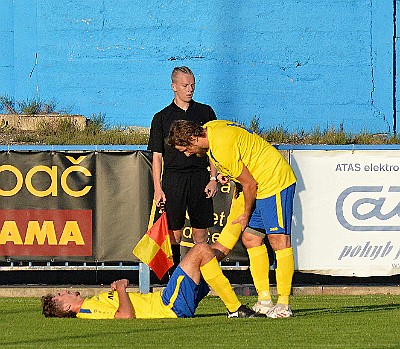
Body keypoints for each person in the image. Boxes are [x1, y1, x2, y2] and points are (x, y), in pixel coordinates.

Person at [168, 119, 297, 318]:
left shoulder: (221, 148)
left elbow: (249, 184)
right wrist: (223, 172)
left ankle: (283, 303)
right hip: (259, 184)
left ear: (193, 139)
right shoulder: (211, 128)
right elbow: (226, 154)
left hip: (273, 181)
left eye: (185, 149)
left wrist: (246, 213)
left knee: (279, 240)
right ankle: (264, 299)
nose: (186, 154)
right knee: (251, 238)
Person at [42, 243, 264, 319]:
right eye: (61, 295)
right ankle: (235, 308)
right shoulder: (87, 312)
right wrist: (120, 289)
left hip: (171, 304)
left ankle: (244, 215)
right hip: (168, 305)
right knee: (200, 250)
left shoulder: (92, 303)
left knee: (216, 251)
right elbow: (125, 316)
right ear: (67, 306)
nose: (65, 291)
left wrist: (117, 291)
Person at [148, 66, 218, 270]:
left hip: (199, 177)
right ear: (174, 87)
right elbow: (157, 156)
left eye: (192, 85)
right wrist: (158, 188)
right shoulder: (161, 117)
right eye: (185, 85)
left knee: (200, 234)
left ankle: (202, 276)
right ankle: (174, 277)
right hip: (173, 179)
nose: (189, 89)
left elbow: (213, 148)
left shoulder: (205, 112)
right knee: (174, 233)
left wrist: (213, 178)